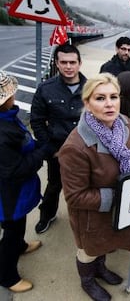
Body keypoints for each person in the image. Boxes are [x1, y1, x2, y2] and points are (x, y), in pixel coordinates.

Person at [59, 73, 130, 301]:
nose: (109, 104)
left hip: (117, 209)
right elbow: (74, 196)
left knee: (107, 243)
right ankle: (87, 280)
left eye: (113, 96)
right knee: (88, 251)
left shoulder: (124, 122)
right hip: (91, 216)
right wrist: (118, 195)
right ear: (87, 103)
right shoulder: (75, 147)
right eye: (100, 98)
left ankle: (101, 268)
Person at [0, 71, 54, 293]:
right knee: (12, 230)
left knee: (17, 225)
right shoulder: (2, 133)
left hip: (13, 191)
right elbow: (16, 170)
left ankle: (20, 245)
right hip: (8, 194)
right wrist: (42, 151)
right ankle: (7, 276)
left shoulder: (7, 118)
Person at [30, 44, 87, 234]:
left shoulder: (92, 89)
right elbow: (37, 121)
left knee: (85, 188)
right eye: (64, 62)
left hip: (85, 151)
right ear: (57, 63)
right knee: (54, 186)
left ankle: (84, 221)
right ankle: (47, 215)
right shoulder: (45, 89)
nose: (68, 66)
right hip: (57, 150)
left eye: (72, 62)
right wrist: (49, 148)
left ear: (80, 63)